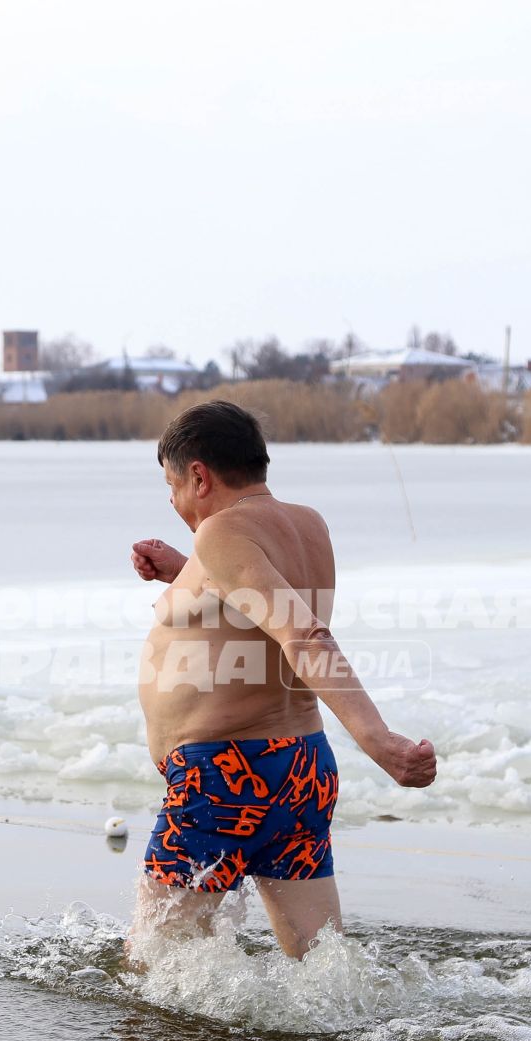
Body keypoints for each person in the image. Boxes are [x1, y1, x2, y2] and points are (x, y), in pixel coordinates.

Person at [128, 400, 436, 960]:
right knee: (322, 974)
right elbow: (258, 607)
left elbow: (304, 636)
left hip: (225, 777)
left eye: (171, 486)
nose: (173, 503)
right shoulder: (305, 524)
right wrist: (183, 572)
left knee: (152, 971)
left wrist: (380, 741)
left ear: (198, 475)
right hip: (300, 771)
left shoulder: (221, 532)